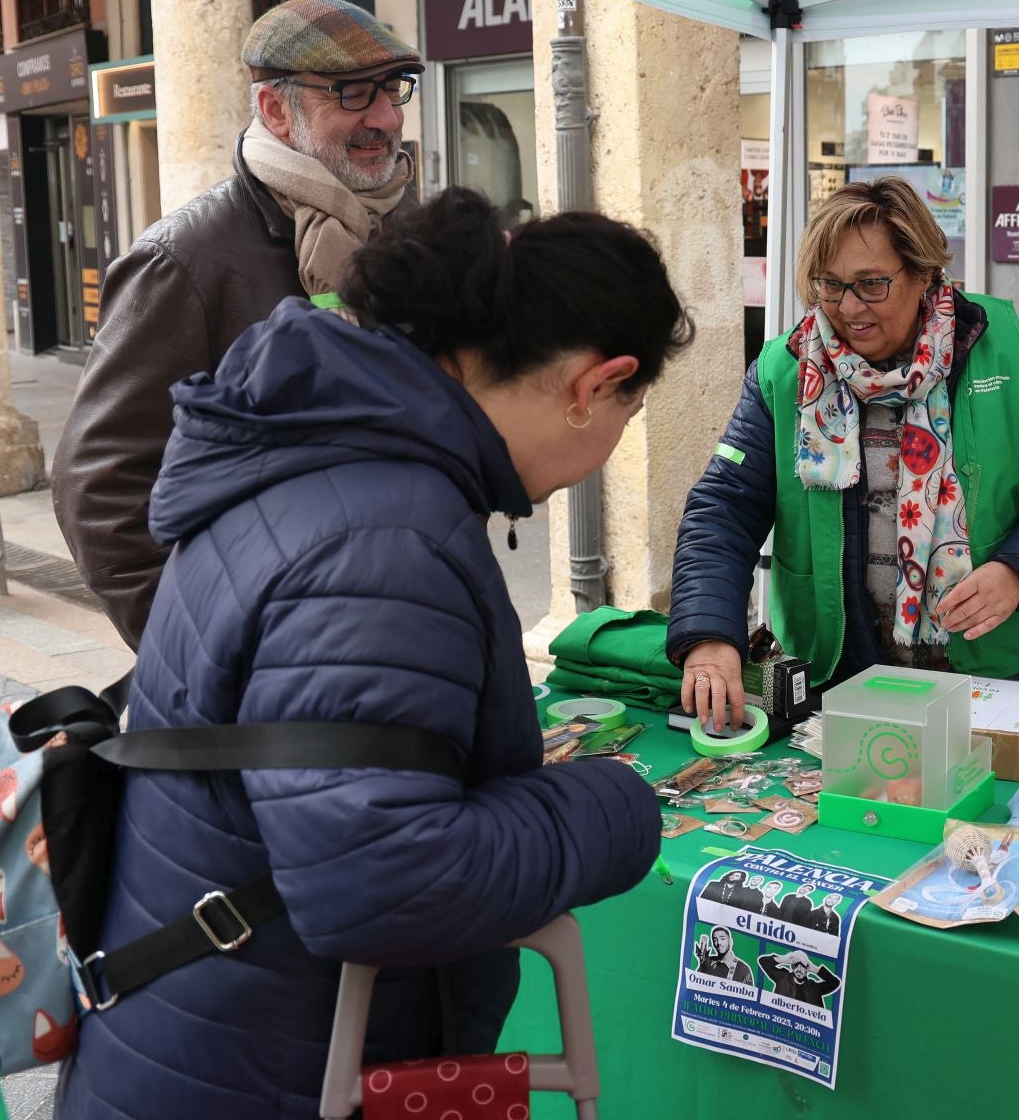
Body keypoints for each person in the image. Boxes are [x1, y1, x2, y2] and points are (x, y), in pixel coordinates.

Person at [58, 188, 687, 1119]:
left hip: (217, 1034)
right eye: (628, 419)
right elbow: (387, 879)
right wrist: (615, 806)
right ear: (594, 385)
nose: (604, 451)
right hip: (257, 1067)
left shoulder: (332, 451)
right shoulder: (384, 536)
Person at [54, 0, 423, 647]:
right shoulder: (184, 259)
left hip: (405, 617)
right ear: (276, 110)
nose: (388, 117)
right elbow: (99, 491)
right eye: (353, 94)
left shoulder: (405, 235)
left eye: (394, 90)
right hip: (274, 655)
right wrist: (208, 650)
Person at [670, 176, 1019, 727]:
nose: (849, 308)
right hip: (840, 670)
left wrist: (1018, 572)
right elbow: (723, 507)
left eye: (872, 284)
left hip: (986, 669)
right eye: (830, 284)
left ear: (923, 273)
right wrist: (708, 635)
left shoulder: (1002, 349)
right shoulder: (785, 369)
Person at [758, 951, 842, 1006]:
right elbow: (763, 962)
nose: (799, 969)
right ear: (792, 966)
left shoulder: (814, 988)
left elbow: (835, 983)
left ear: (807, 969)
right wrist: (784, 959)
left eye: (802, 966)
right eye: (796, 965)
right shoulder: (783, 978)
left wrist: (814, 969)